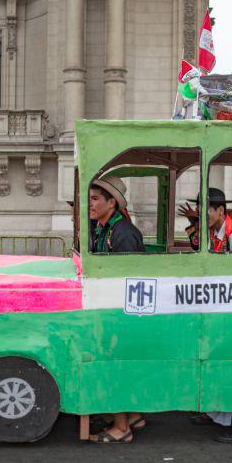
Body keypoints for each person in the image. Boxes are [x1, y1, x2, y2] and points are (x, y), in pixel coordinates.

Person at [182, 188, 232, 443]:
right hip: (220, 313)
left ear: (220, 211)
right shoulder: (213, 234)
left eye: (206, 209)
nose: (201, 214)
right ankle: (217, 413)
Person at [86, 176, 146, 444]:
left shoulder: (123, 234)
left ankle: (122, 428)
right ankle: (133, 414)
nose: (90, 204)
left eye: (95, 198)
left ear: (112, 202)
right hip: (111, 307)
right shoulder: (101, 228)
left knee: (112, 365)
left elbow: (127, 280)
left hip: (121, 312)